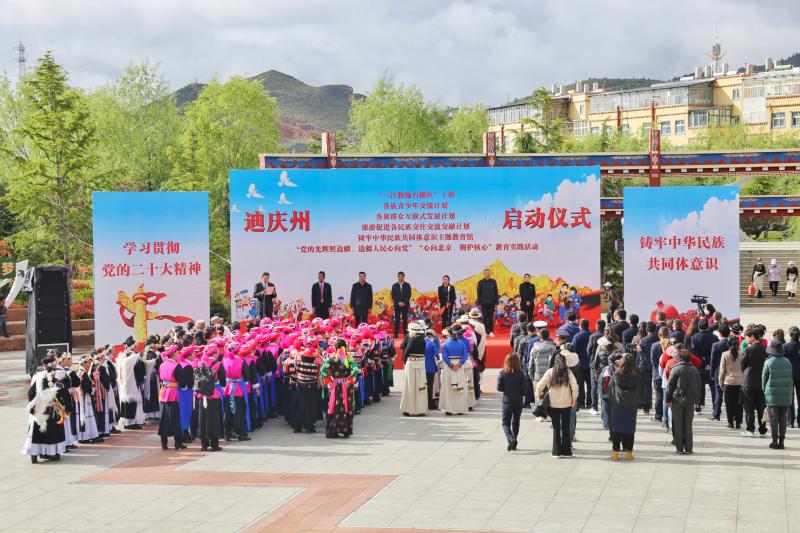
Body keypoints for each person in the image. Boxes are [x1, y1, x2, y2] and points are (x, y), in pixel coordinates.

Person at [536, 354, 578, 458]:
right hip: (566, 403)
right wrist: (574, 399)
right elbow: (575, 386)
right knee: (565, 427)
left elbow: (540, 385)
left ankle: (556, 452)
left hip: (553, 404)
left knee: (556, 428)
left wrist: (538, 395)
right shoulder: (568, 372)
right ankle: (567, 451)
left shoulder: (550, 372)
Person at [666, 344, 702, 455]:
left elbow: (670, 386)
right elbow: (699, 386)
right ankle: (689, 448)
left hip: (677, 400)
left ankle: (680, 448)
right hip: (690, 401)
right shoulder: (694, 370)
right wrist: (697, 401)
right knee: (688, 425)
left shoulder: (675, 369)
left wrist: (667, 400)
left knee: (678, 424)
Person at [321, 340, 359, 438]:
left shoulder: (331, 357)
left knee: (334, 406)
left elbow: (323, 370)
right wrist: (349, 381)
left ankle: (333, 431)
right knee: (347, 406)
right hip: (347, 386)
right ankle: (346, 431)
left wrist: (329, 381)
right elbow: (355, 370)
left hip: (335, 386)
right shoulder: (349, 358)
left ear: (335, 347)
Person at [607, 353, 641, 460]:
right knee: (629, 429)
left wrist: (620, 357)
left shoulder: (616, 375)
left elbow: (609, 388)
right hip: (631, 404)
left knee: (616, 428)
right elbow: (643, 364)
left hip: (617, 404)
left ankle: (615, 453)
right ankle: (629, 453)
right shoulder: (636, 375)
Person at [763, 340, 793, 449]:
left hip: (772, 395)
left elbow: (764, 379)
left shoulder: (768, 362)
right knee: (783, 418)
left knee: (773, 418)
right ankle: (782, 442)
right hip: (786, 394)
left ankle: (774, 441)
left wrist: (764, 391)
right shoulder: (787, 361)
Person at [196, 344, 225, 451]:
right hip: (214, 394)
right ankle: (214, 445)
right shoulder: (218, 364)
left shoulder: (200, 363)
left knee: (202, 419)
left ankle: (204, 445)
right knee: (214, 419)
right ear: (214, 354)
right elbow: (223, 381)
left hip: (201, 394)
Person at [741, 327, 768, 437]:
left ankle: (750, 429)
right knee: (761, 406)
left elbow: (743, 365)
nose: (746, 339)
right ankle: (762, 429)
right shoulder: (765, 349)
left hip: (749, 381)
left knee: (749, 407)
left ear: (752, 337)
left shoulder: (748, 350)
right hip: (761, 381)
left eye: (747, 337)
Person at [158, 345, 185, 450]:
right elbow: (182, 383)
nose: (178, 354)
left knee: (164, 418)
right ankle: (178, 443)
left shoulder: (162, 365)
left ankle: (164, 442)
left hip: (164, 392)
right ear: (173, 354)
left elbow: (161, 378)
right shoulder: (177, 366)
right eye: (177, 353)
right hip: (173, 393)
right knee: (175, 418)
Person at [439, 325, 470, 415]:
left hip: (449, 367)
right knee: (460, 386)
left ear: (449, 334)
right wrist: (460, 364)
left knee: (448, 387)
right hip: (459, 365)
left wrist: (451, 364)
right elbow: (465, 355)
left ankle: (449, 409)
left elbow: (444, 356)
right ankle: (460, 408)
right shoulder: (461, 343)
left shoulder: (445, 344)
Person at [497, 353, 525, 451]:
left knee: (505, 423)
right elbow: (524, 389)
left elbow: (499, 388)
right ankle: (514, 440)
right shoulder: (521, 374)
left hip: (507, 400)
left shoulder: (502, 373)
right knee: (516, 422)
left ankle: (510, 439)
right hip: (518, 400)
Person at [399, 322, 428, 416]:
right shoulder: (423, 340)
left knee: (409, 386)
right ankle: (420, 409)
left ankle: (408, 409)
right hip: (421, 363)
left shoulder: (412, 339)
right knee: (420, 385)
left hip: (411, 363)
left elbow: (405, 352)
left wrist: (405, 360)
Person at [116, 339, 145, 430]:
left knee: (125, 403)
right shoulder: (135, 358)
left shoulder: (122, 357)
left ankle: (126, 422)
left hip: (123, 384)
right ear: (134, 347)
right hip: (133, 383)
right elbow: (140, 371)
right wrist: (141, 382)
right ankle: (132, 423)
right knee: (133, 403)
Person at [293, 346, 321, 433]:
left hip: (301, 385)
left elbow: (296, 370)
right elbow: (318, 374)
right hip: (312, 386)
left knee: (301, 405)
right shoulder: (316, 365)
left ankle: (297, 427)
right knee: (311, 406)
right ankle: (309, 427)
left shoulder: (299, 363)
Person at [718, 336, 743, 429]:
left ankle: (730, 422)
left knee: (729, 404)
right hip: (740, 381)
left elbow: (722, 371)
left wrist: (720, 382)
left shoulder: (724, 354)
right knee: (739, 403)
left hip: (728, 381)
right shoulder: (742, 354)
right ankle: (738, 422)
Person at [709, 325, 730, 421]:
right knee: (730, 394)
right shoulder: (732, 344)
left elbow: (712, 361)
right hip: (730, 371)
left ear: (720, 333)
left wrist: (712, 373)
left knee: (718, 393)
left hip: (718, 371)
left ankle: (716, 413)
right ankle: (732, 415)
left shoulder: (716, 345)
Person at [572, 319, 592, 409]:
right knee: (590, 384)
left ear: (580, 326)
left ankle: (581, 402)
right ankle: (589, 402)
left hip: (580, 364)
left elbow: (573, 349)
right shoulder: (592, 335)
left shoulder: (577, 336)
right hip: (590, 363)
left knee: (580, 384)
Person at [785, 327, 800, 428]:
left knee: (789, 398)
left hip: (789, 374)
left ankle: (790, 421)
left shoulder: (785, 346)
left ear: (790, 335)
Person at [476, 269, 499, 337]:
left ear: (490, 274)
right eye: (486, 273)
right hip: (483, 303)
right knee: (485, 318)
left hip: (491, 303)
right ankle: (485, 332)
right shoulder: (480, 282)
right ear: (484, 274)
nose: (487, 274)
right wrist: (479, 303)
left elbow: (496, 292)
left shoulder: (493, 281)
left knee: (491, 318)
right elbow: (478, 293)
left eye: (488, 273)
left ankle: (491, 331)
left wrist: (496, 302)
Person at [391, 272, 412, 338]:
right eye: (399, 276)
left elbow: (409, 295)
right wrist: (398, 302)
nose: (400, 277)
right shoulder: (394, 285)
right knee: (397, 319)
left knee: (405, 319)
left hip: (405, 305)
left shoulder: (407, 285)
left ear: (404, 277)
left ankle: (405, 334)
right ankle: (396, 334)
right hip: (397, 305)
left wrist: (404, 302)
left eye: (401, 276)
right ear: (398, 277)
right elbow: (393, 296)